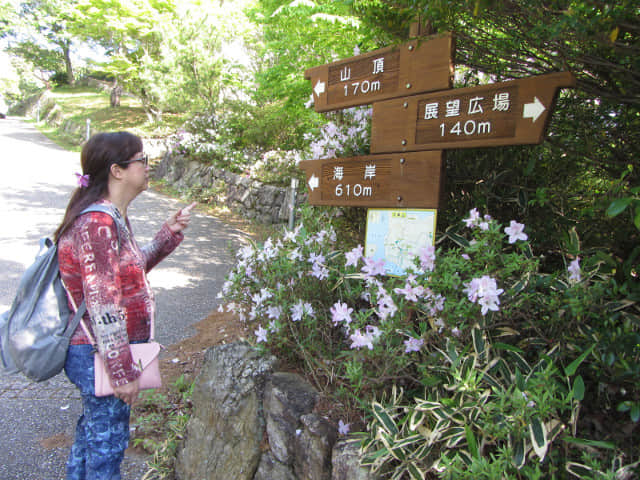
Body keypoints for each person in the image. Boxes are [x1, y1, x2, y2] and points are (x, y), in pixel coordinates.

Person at [54, 131, 196, 479]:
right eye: (141, 160)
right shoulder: (98, 223)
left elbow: (126, 274)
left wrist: (169, 233)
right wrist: (121, 372)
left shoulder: (109, 217)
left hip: (96, 352)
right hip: (97, 355)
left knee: (92, 438)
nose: (148, 167)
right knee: (107, 448)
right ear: (117, 170)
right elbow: (104, 301)